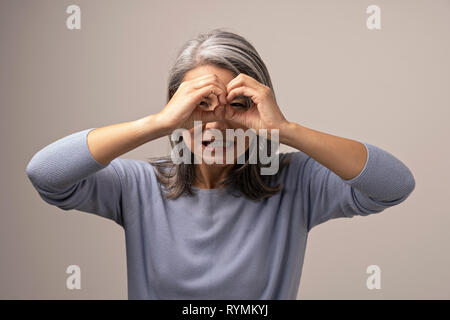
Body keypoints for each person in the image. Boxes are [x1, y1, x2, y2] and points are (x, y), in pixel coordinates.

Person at [25, 28, 415, 299]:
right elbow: (46, 174)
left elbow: (394, 185)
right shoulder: (138, 185)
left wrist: (285, 129)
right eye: (200, 106)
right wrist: (158, 123)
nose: (219, 122)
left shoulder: (295, 183)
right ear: (177, 109)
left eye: (239, 106)